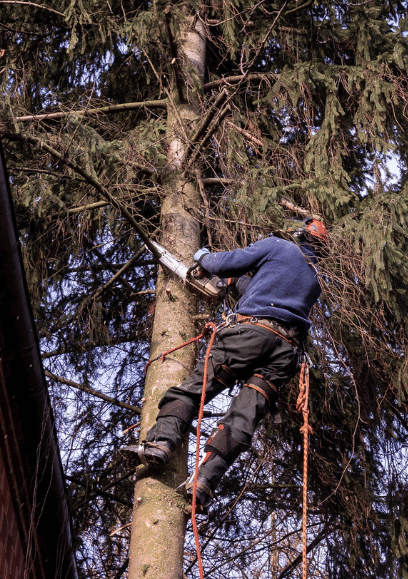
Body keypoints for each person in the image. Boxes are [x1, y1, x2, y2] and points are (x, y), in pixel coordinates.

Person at [120, 218, 326, 511]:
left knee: (192, 390)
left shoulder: (277, 246)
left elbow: (231, 261)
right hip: (285, 353)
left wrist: (206, 258)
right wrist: (234, 284)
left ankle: (160, 443)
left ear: (296, 233)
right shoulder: (316, 276)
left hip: (250, 335)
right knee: (242, 419)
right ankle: (204, 482)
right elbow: (271, 293)